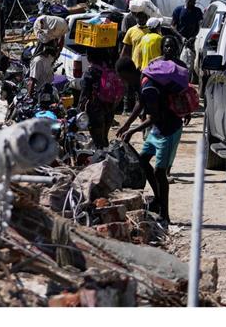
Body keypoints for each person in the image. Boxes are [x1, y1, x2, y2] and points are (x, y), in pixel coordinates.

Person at [117, 57, 186, 224]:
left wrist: (132, 130)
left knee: (159, 172)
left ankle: (165, 214)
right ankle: (157, 199)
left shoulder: (148, 87)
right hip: (158, 129)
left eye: (123, 78)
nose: (123, 82)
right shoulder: (142, 81)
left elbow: (153, 117)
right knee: (142, 160)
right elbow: (140, 104)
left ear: (128, 73)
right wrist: (126, 124)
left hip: (168, 130)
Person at [79, 49, 121, 148]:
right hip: (109, 108)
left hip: (95, 110)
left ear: (90, 57)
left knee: (97, 141)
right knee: (104, 138)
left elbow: (84, 95)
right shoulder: (109, 69)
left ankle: (102, 160)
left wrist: (79, 110)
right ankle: (107, 158)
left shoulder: (90, 72)